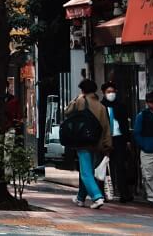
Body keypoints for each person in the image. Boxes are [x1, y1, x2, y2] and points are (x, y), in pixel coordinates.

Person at [65, 78, 111, 209]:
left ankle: (97, 196)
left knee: (85, 173)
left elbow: (67, 112)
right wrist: (107, 144)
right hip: (96, 143)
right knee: (89, 170)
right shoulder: (102, 107)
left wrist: (76, 98)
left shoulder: (81, 101)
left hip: (82, 140)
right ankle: (80, 198)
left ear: (83, 90)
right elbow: (106, 127)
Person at [101, 82, 134, 202]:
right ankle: (104, 193)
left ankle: (124, 193)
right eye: (108, 92)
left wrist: (127, 140)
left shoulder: (121, 106)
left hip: (119, 138)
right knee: (104, 167)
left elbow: (125, 124)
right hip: (105, 140)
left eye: (113, 92)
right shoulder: (101, 107)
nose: (111, 94)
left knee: (120, 166)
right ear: (103, 93)